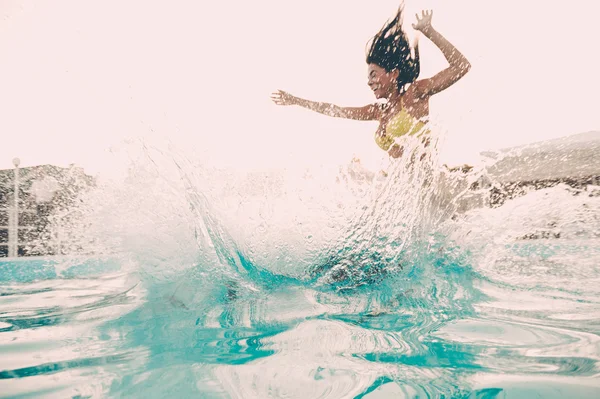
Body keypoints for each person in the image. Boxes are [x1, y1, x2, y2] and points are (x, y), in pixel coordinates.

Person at [271, 8, 471, 160]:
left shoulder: (415, 93)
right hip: (411, 195)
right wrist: (295, 100)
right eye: (368, 77)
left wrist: (430, 31)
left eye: (374, 75)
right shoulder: (378, 112)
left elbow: (461, 66)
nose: (370, 82)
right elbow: (335, 110)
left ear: (393, 74)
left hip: (433, 185)